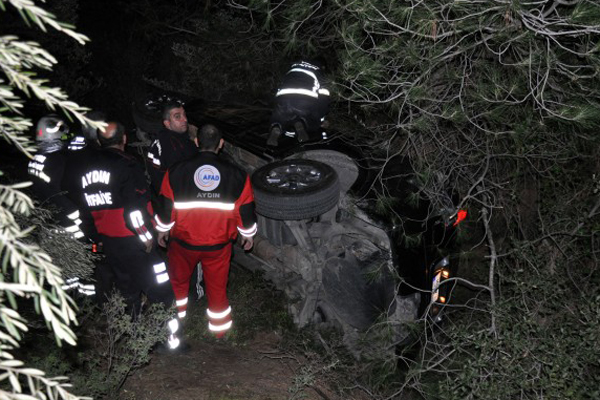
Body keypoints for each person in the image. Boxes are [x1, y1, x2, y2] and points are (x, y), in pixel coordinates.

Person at [76, 121, 182, 351]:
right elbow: (135, 210)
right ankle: (166, 342)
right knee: (161, 289)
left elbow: (86, 210)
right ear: (123, 139)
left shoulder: (87, 169)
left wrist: (98, 238)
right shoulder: (127, 166)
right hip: (134, 242)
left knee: (128, 292)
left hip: (110, 243)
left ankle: (134, 339)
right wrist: (145, 236)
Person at [155, 124, 257, 338]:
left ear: (196, 142)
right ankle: (220, 333)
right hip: (218, 246)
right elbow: (245, 210)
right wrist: (247, 235)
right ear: (221, 144)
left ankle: (176, 324)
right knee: (217, 289)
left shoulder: (175, 171)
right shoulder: (238, 175)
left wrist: (162, 230)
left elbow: (166, 205)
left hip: (183, 243)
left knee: (178, 283)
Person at [266, 60, 331, 147]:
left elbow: (281, 85)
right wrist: (321, 120)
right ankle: (301, 123)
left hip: (283, 96)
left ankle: (277, 126)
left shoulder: (294, 66)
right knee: (314, 123)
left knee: (279, 117)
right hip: (305, 99)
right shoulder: (320, 73)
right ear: (322, 67)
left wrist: (277, 102)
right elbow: (324, 98)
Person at [146, 101, 198, 199]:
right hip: (173, 200)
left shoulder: (160, 137)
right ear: (167, 123)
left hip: (158, 194)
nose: (185, 119)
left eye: (184, 115)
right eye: (177, 117)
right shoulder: (174, 146)